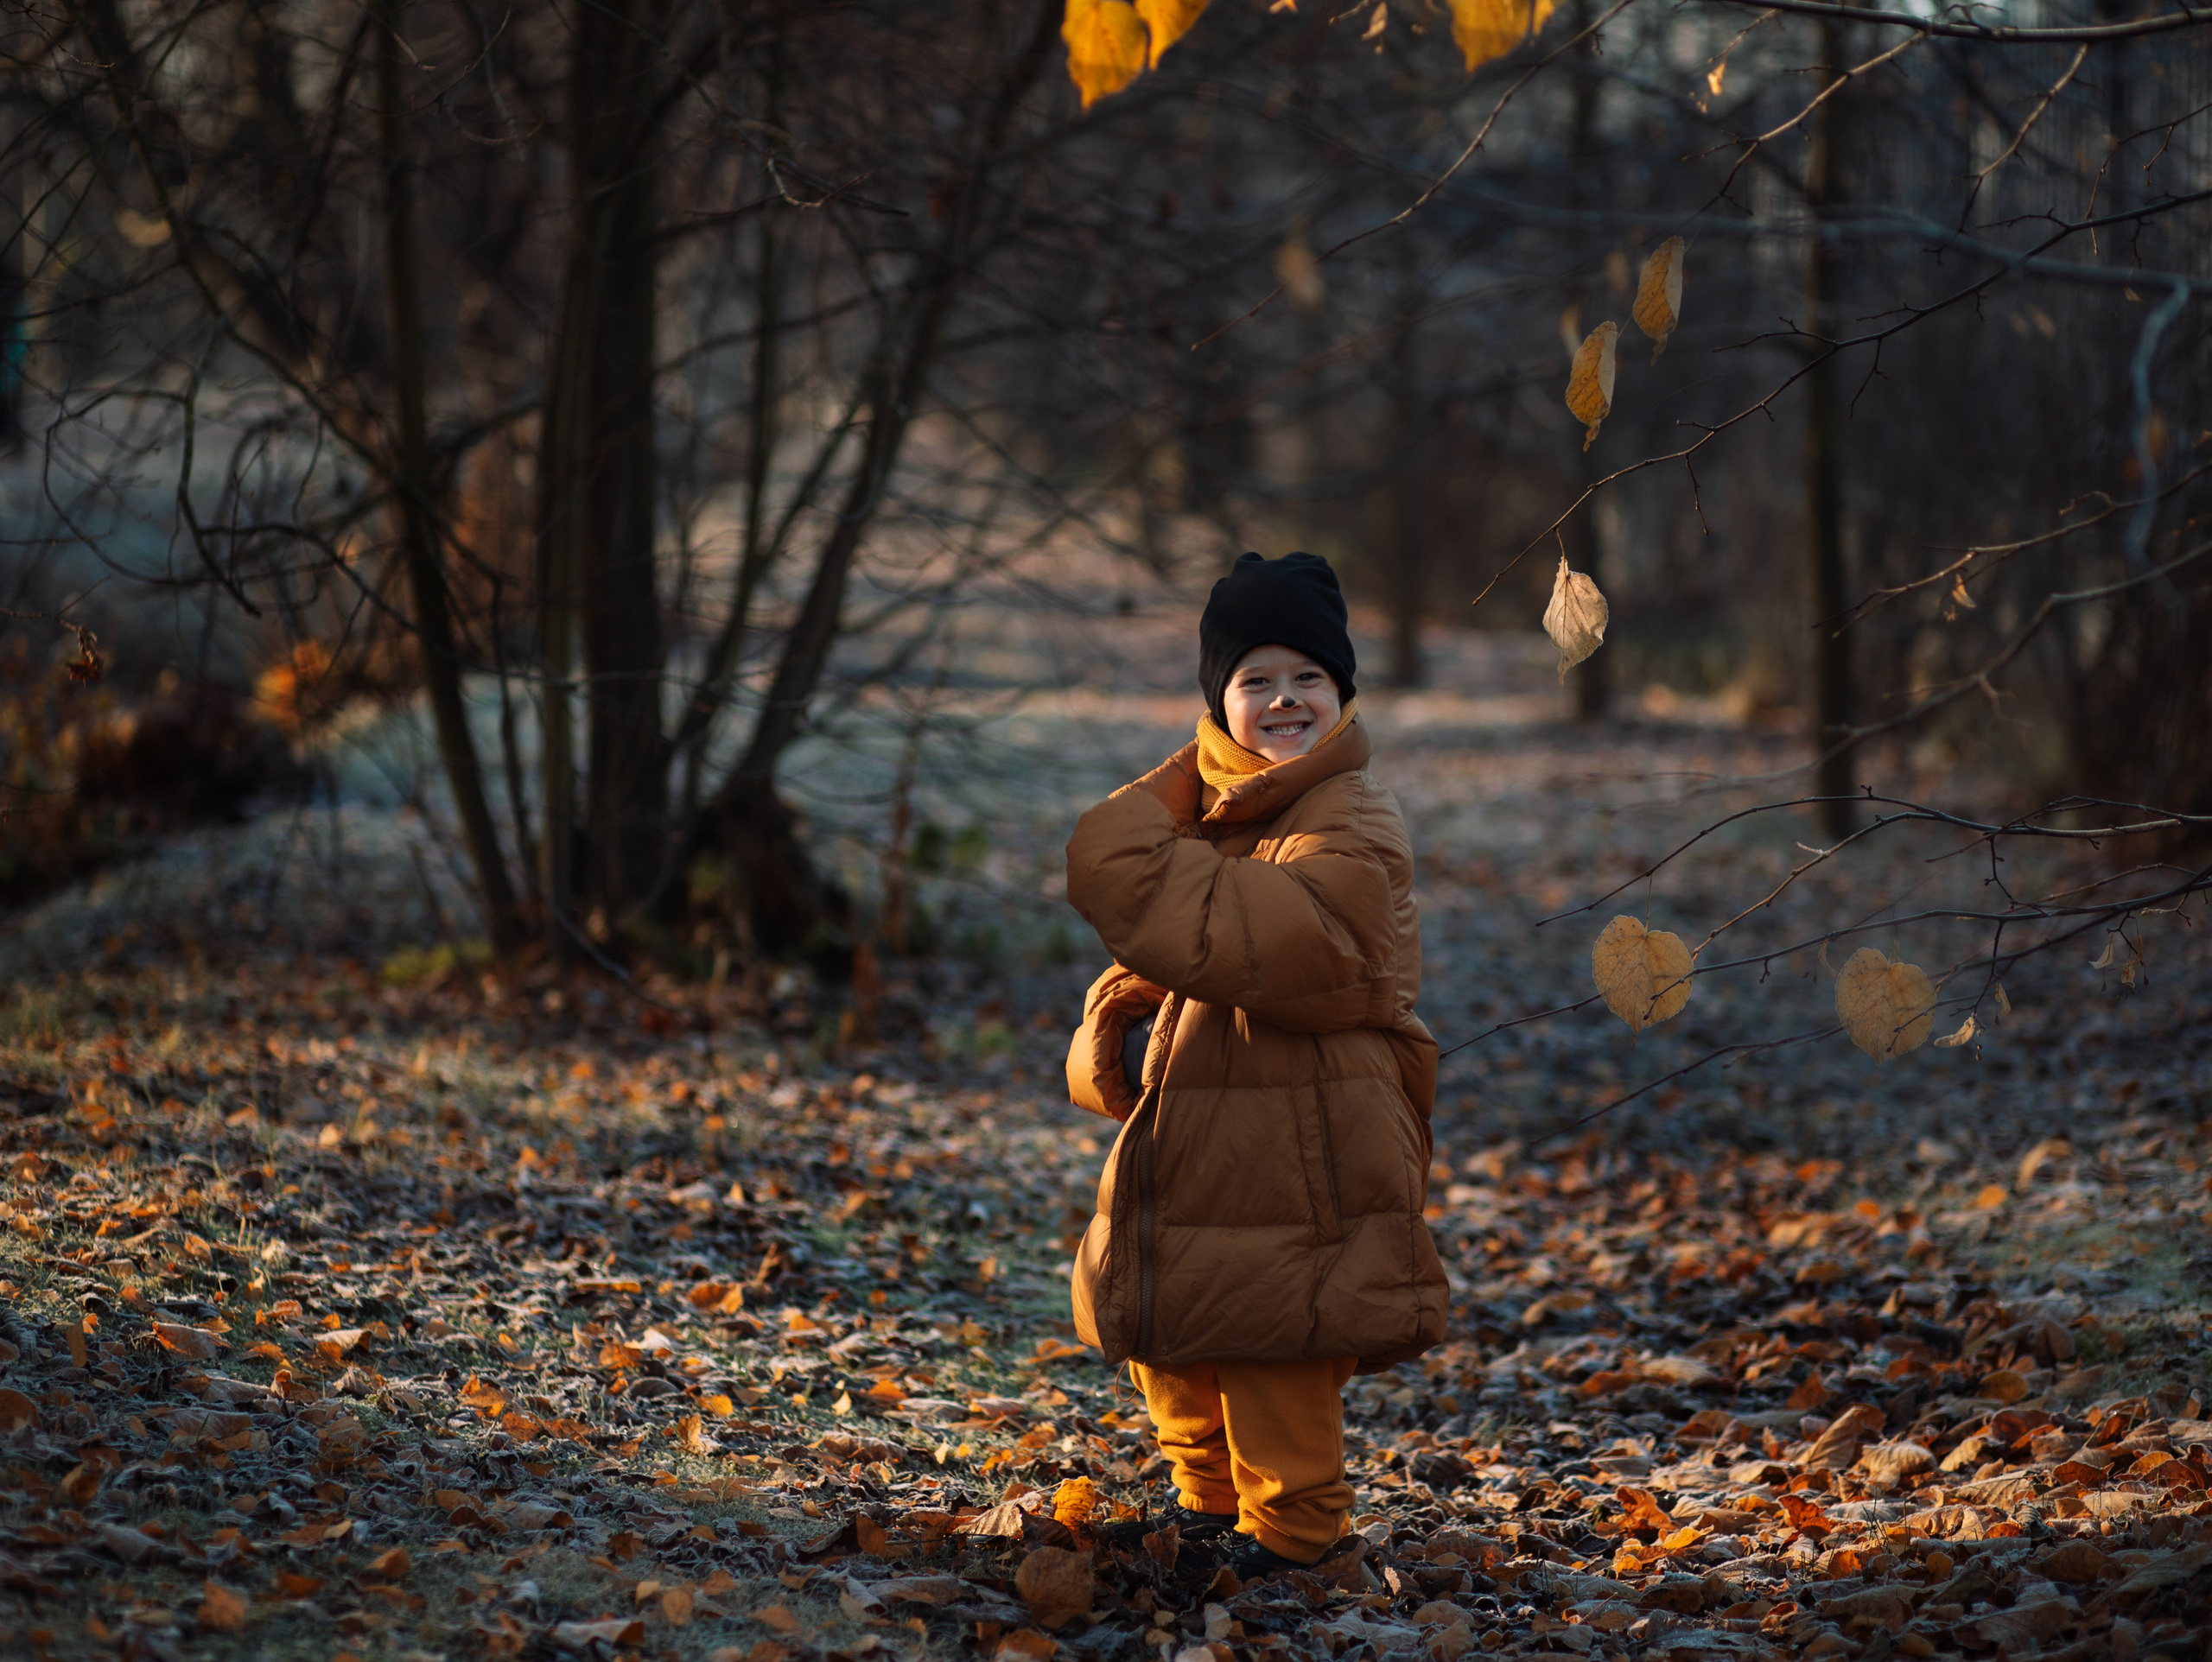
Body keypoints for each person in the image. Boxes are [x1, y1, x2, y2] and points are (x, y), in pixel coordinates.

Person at [1061, 550, 1447, 1577]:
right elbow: (1179, 945)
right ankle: (1209, 1502)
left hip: (1308, 1133)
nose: (1284, 699)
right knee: (1178, 1334)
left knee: (1277, 1337)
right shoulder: (1223, 817)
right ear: (1216, 703)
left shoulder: (1350, 815)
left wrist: (1182, 803)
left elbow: (1276, 939)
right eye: (1254, 679)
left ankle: (1294, 1533)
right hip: (1205, 1123)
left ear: (1342, 692)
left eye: (1307, 677)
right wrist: (1127, 1017)